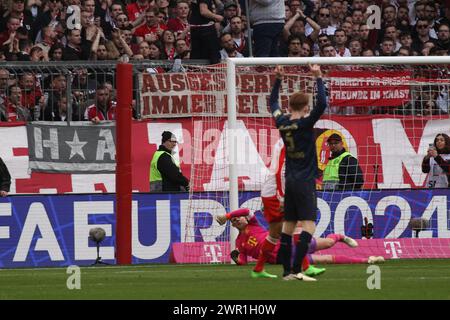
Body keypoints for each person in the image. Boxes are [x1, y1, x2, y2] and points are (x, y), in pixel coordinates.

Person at [270, 63, 327, 281]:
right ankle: (296, 269)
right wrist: (318, 77)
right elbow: (322, 103)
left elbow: (273, 103)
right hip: (304, 181)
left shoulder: (281, 122)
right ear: (305, 108)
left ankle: (286, 273)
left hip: (290, 180)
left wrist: (278, 79)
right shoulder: (305, 123)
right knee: (309, 226)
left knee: (288, 227)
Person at [220, 208, 384, 267]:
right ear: (233, 226)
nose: (236, 219)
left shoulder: (253, 224)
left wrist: (227, 215)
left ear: (245, 219)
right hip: (282, 259)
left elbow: (246, 210)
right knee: (325, 259)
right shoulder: (238, 242)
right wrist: (236, 258)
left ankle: (340, 236)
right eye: (233, 221)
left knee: (327, 243)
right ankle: (367, 261)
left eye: (237, 218)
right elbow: (243, 261)